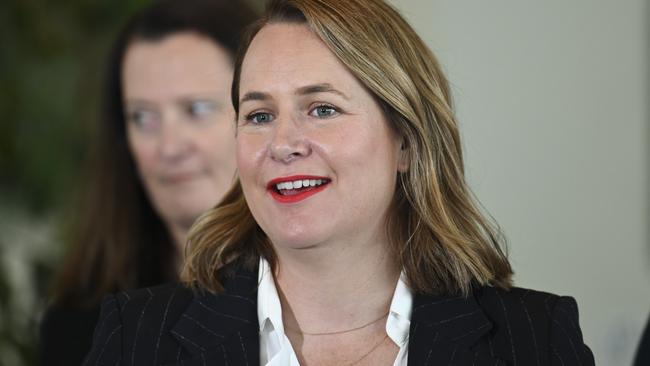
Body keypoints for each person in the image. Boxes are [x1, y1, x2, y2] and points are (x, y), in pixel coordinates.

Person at [82, 0, 595, 365]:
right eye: (259, 115)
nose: (283, 143)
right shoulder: (137, 336)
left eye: (322, 109)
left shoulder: (534, 339)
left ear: (407, 143)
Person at [39, 1, 256, 365]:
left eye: (197, 110)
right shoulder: (80, 325)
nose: (169, 147)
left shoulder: (313, 306)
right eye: (142, 117)